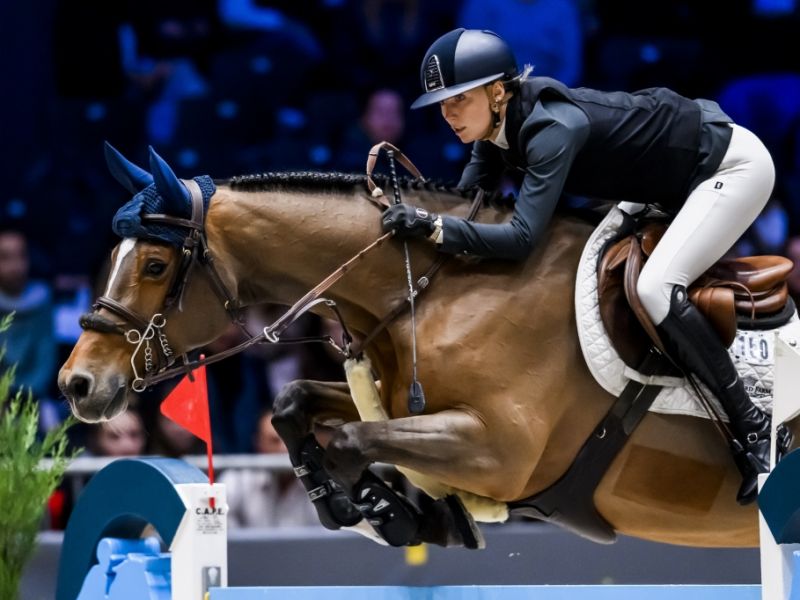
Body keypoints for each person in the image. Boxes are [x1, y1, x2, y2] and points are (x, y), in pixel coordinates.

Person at [381, 28, 781, 504]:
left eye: (458, 99)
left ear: (496, 91)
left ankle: (754, 429)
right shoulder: (493, 131)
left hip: (727, 168)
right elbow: (467, 206)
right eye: (441, 105)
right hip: (661, 180)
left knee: (655, 288)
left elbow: (520, 239)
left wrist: (432, 228)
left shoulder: (552, 129)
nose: (447, 115)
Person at [219, 409, 317, 528]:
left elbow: (330, 540)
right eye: (274, 441)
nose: (284, 449)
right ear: (258, 443)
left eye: (291, 440)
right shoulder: (236, 480)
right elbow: (223, 535)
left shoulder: (319, 482)